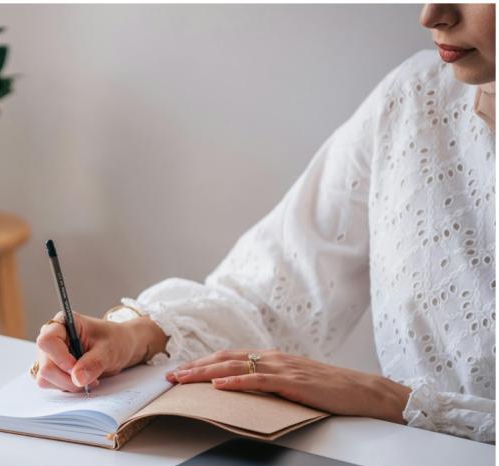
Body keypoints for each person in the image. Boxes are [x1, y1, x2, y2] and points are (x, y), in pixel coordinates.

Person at [32, 3, 496, 443]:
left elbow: (396, 401)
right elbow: (272, 298)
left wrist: (395, 400)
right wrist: (135, 336)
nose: (431, 15)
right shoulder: (416, 98)